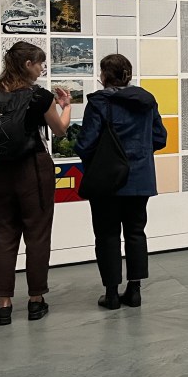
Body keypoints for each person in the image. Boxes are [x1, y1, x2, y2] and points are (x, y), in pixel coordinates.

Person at [0, 42, 71, 325]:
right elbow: (60, 130)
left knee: (3, 236)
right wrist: (65, 107)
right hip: (33, 169)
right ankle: (36, 300)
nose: (42, 68)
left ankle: (3, 305)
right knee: (37, 235)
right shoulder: (40, 96)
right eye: (40, 63)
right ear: (27, 65)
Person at [75, 54, 167, 309]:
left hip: (106, 180)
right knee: (136, 232)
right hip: (139, 178)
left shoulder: (99, 103)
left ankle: (112, 294)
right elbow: (160, 138)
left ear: (104, 75)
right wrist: (138, 152)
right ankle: (134, 291)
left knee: (107, 235)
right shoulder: (146, 101)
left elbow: (85, 143)